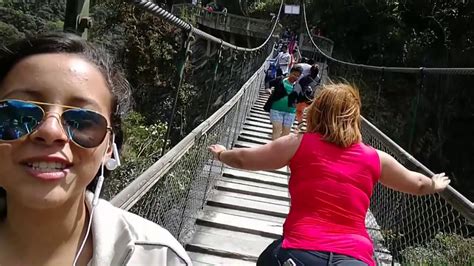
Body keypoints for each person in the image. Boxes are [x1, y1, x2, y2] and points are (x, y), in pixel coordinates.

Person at [0, 33, 192, 265]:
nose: (50, 131)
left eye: (82, 121)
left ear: (109, 147)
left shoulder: (158, 258)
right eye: (18, 114)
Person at [209, 83, 451, 266]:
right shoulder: (375, 157)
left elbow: (243, 158)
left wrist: (221, 154)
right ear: (354, 118)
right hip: (355, 258)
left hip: (299, 251)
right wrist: (434, 183)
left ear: (318, 112)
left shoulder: (297, 143)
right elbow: (417, 184)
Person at [264, 66, 302, 140]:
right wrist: (267, 88)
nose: (295, 77)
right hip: (276, 109)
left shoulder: (298, 87)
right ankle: (274, 150)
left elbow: (301, 99)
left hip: (290, 112)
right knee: (277, 130)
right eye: (294, 74)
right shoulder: (280, 79)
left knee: (285, 134)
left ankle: (279, 150)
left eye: (298, 76)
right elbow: (269, 82)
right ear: (290, 73)